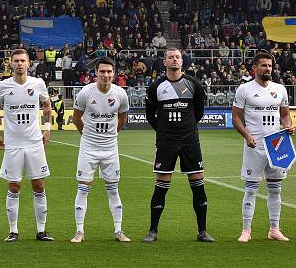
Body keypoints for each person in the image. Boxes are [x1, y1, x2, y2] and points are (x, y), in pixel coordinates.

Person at [142, 48, 214, 242]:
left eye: (177, 57)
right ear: (164, 62)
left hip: (190, 141)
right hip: (166, 142)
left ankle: (202, 231)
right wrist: (164, 131)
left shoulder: (194, 85)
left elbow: (199, 112)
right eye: (170, 57)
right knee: (161, 186)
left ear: (182, 61)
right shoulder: (156, 86)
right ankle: (153, 231)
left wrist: (187, 129)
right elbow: (150, 115)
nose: (174, 60)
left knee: (198, 186)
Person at [0, 49, 54, 243]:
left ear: (29, 63)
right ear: (11, 63)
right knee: (14, 186)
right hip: (13, 144)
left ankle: (41, 231)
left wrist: (47, 128)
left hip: (34, 143)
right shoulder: (3, 86)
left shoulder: (38, 84)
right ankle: (13, 231)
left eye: (22, 61)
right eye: (16, 61)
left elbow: (47, 105)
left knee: (39, 185)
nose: (19, 64)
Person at [232, 53, 295, 242]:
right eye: (264, 65)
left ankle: (274, 229)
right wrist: (247, 135)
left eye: (270, 66)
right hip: (255, 145)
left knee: (275, 189)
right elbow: (236, 117)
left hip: (276, 145)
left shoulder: (280, 89)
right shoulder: (244, 90)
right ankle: (246, 230)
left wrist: (287, 125)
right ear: (254, 68)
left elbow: (284, 115)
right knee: (251, 188)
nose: (268, 69)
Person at [70, 58, 131, 243]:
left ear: (114, 73)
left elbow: (122, 119)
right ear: (95, 73)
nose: (106, 75)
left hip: (110, 148)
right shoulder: (86, 93)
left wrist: (111, 135)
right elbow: (76, 118)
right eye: (102, 71)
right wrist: (87, 136)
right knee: (83, 189)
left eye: (109, 72)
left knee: (113, 189)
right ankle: (79, 232)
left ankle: (118, 231)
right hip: (88, 148)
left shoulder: (120, 94)